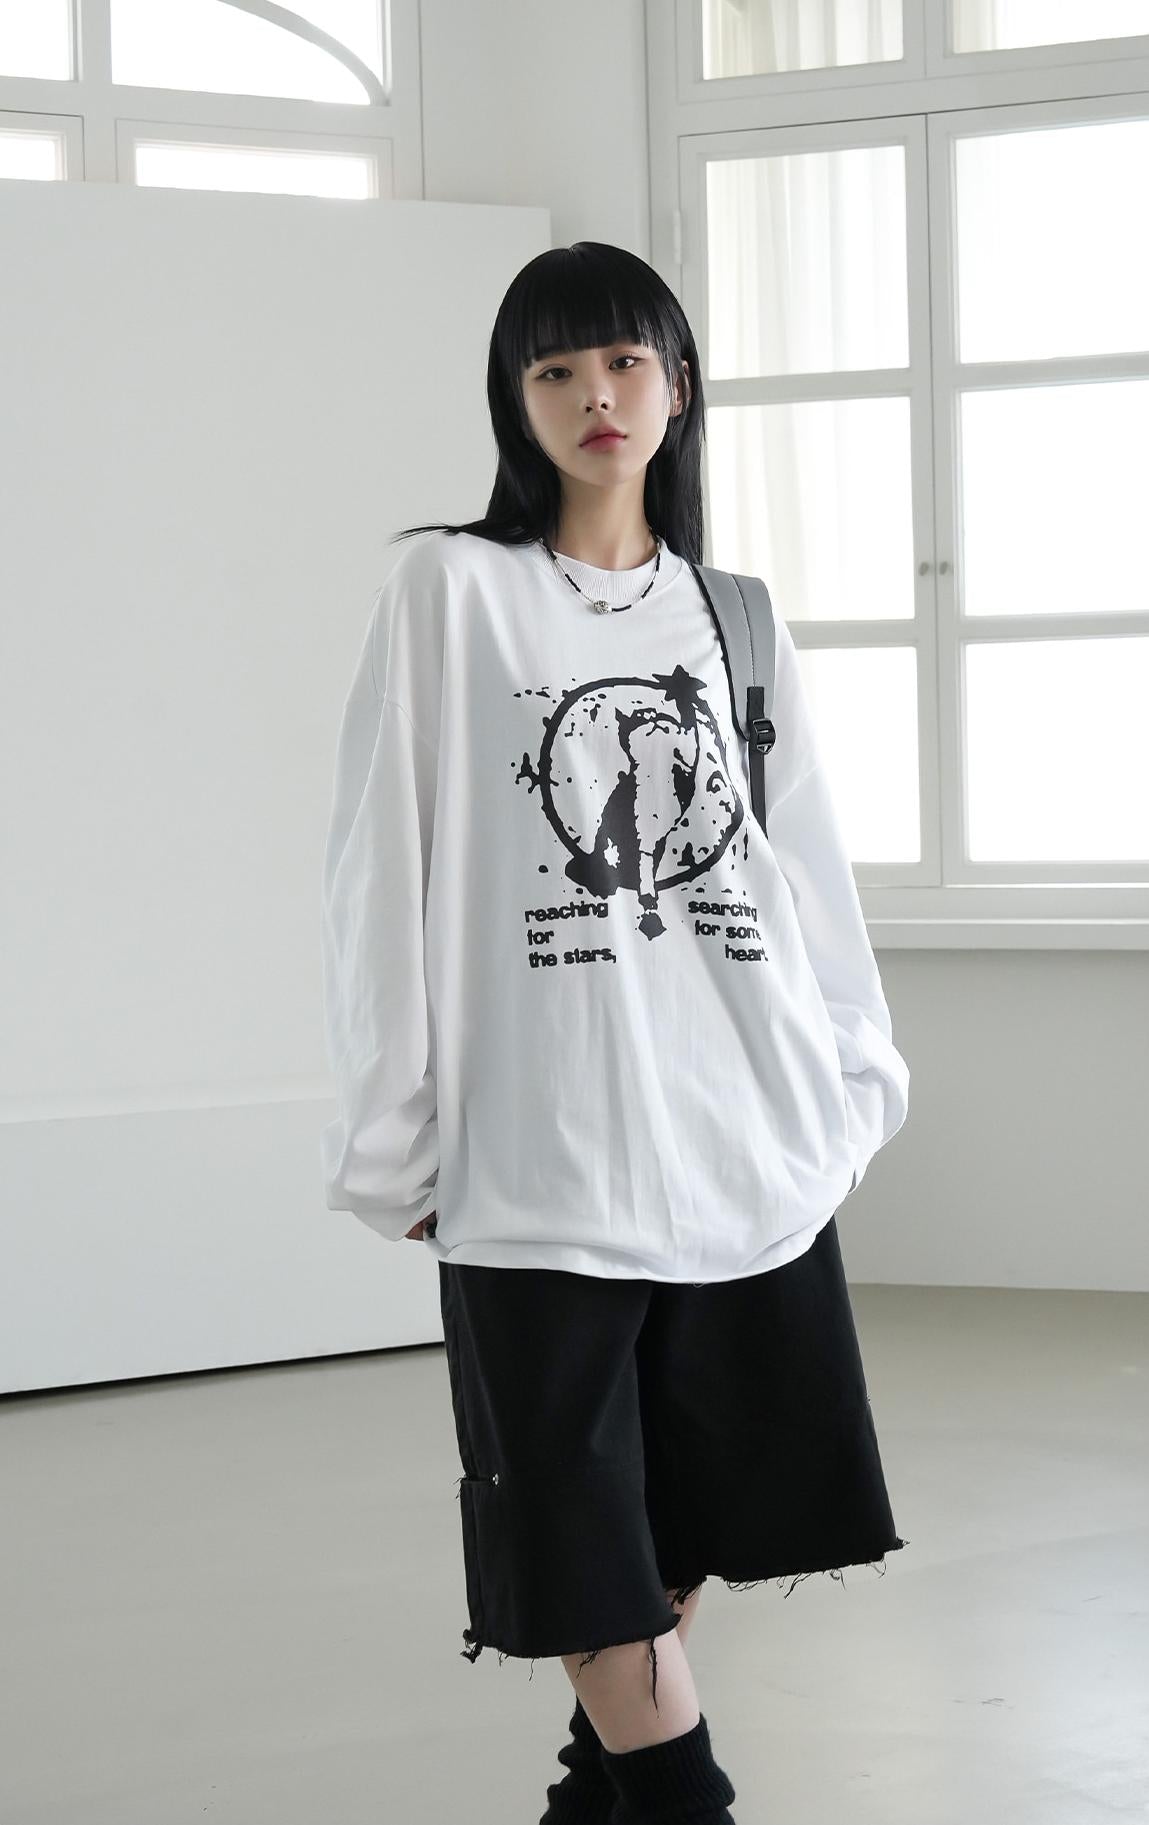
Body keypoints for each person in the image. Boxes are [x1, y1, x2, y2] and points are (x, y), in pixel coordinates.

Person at [319, 241, 911, 1825]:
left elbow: (802, 869)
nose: (596, 394)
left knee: (695, 1501)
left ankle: (600, 1801)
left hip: (740, 1130)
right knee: (575, 1517)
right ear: (513, 402)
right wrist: (396, 1132)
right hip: (544, 1151)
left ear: (678, 385)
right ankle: (679, 1802)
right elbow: (381, 870)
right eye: (556, 368)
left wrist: (849, 1081)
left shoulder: (734, 615)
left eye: (625, 361)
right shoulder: (452, 591)